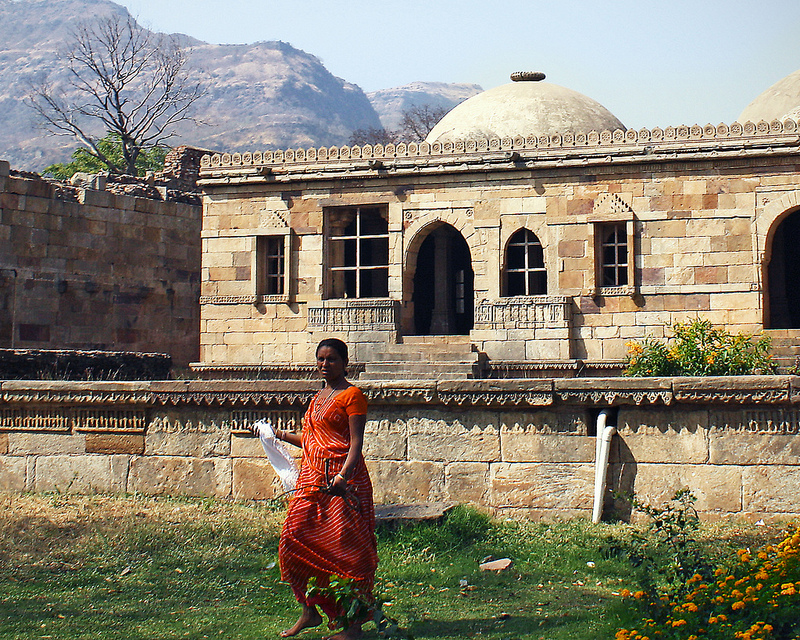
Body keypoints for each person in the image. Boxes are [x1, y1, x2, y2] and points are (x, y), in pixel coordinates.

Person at [274, 338, 378, 640]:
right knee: (293, 541)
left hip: (344, 483)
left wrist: (344, 477)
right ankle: (309, 610)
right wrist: (277, 434)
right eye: (320, 359)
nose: (324, 364)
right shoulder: (318, 397)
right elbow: (310, 440)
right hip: (313, 479)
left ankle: (352, 626)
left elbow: (355, 444)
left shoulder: (352, 395)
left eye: (331, 359)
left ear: (344, 362)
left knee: (347, 552)